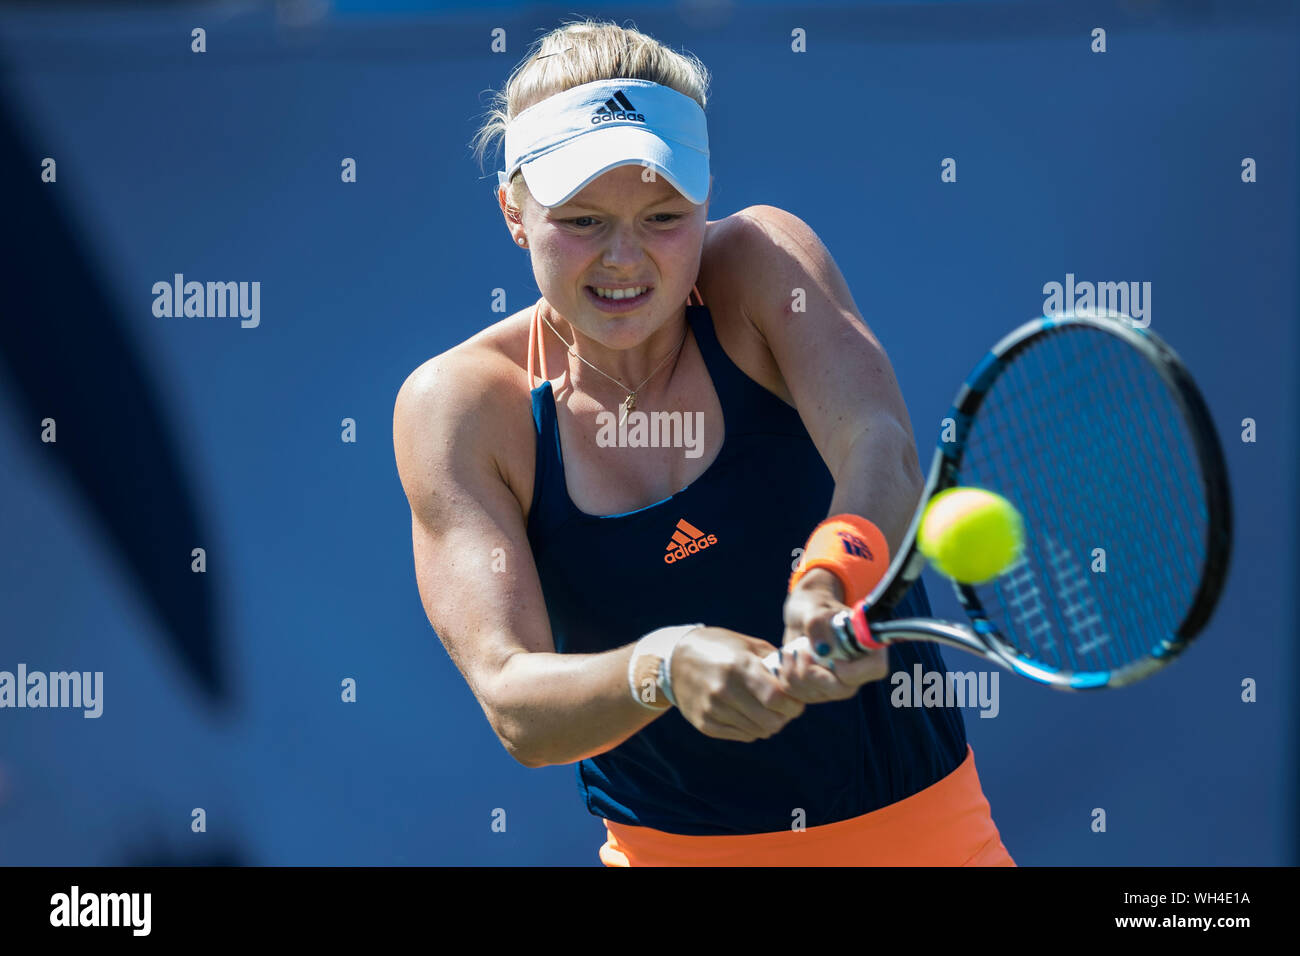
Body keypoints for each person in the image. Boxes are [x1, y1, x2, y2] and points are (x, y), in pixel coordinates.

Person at [393, 18, 1014, 866]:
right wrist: (663, 664)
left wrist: (831, 577)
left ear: (707, 197)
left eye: (663, 215)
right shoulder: (462, 406)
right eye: (581, 219)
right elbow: (514, 702)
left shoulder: (762, 265)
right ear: (513, 210)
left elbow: (880, 448)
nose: (625, 258)